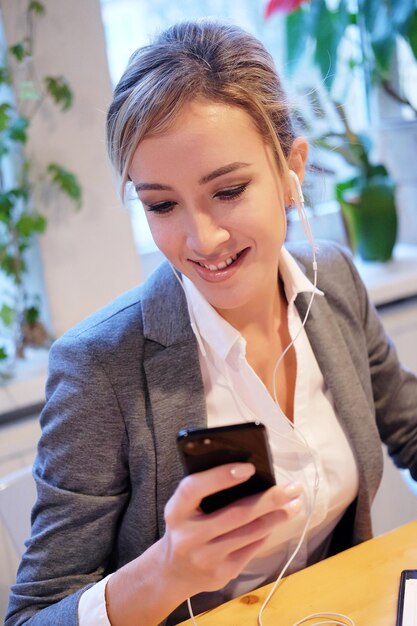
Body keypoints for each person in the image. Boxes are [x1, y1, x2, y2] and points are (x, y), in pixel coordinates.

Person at [5, 18, 417, 626]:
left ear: (290, 170)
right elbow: (32, 617)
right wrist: (167, 569)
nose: (201, 239)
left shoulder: (332, 280)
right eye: (162, 205)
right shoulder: (100, 366)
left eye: (228, 190)